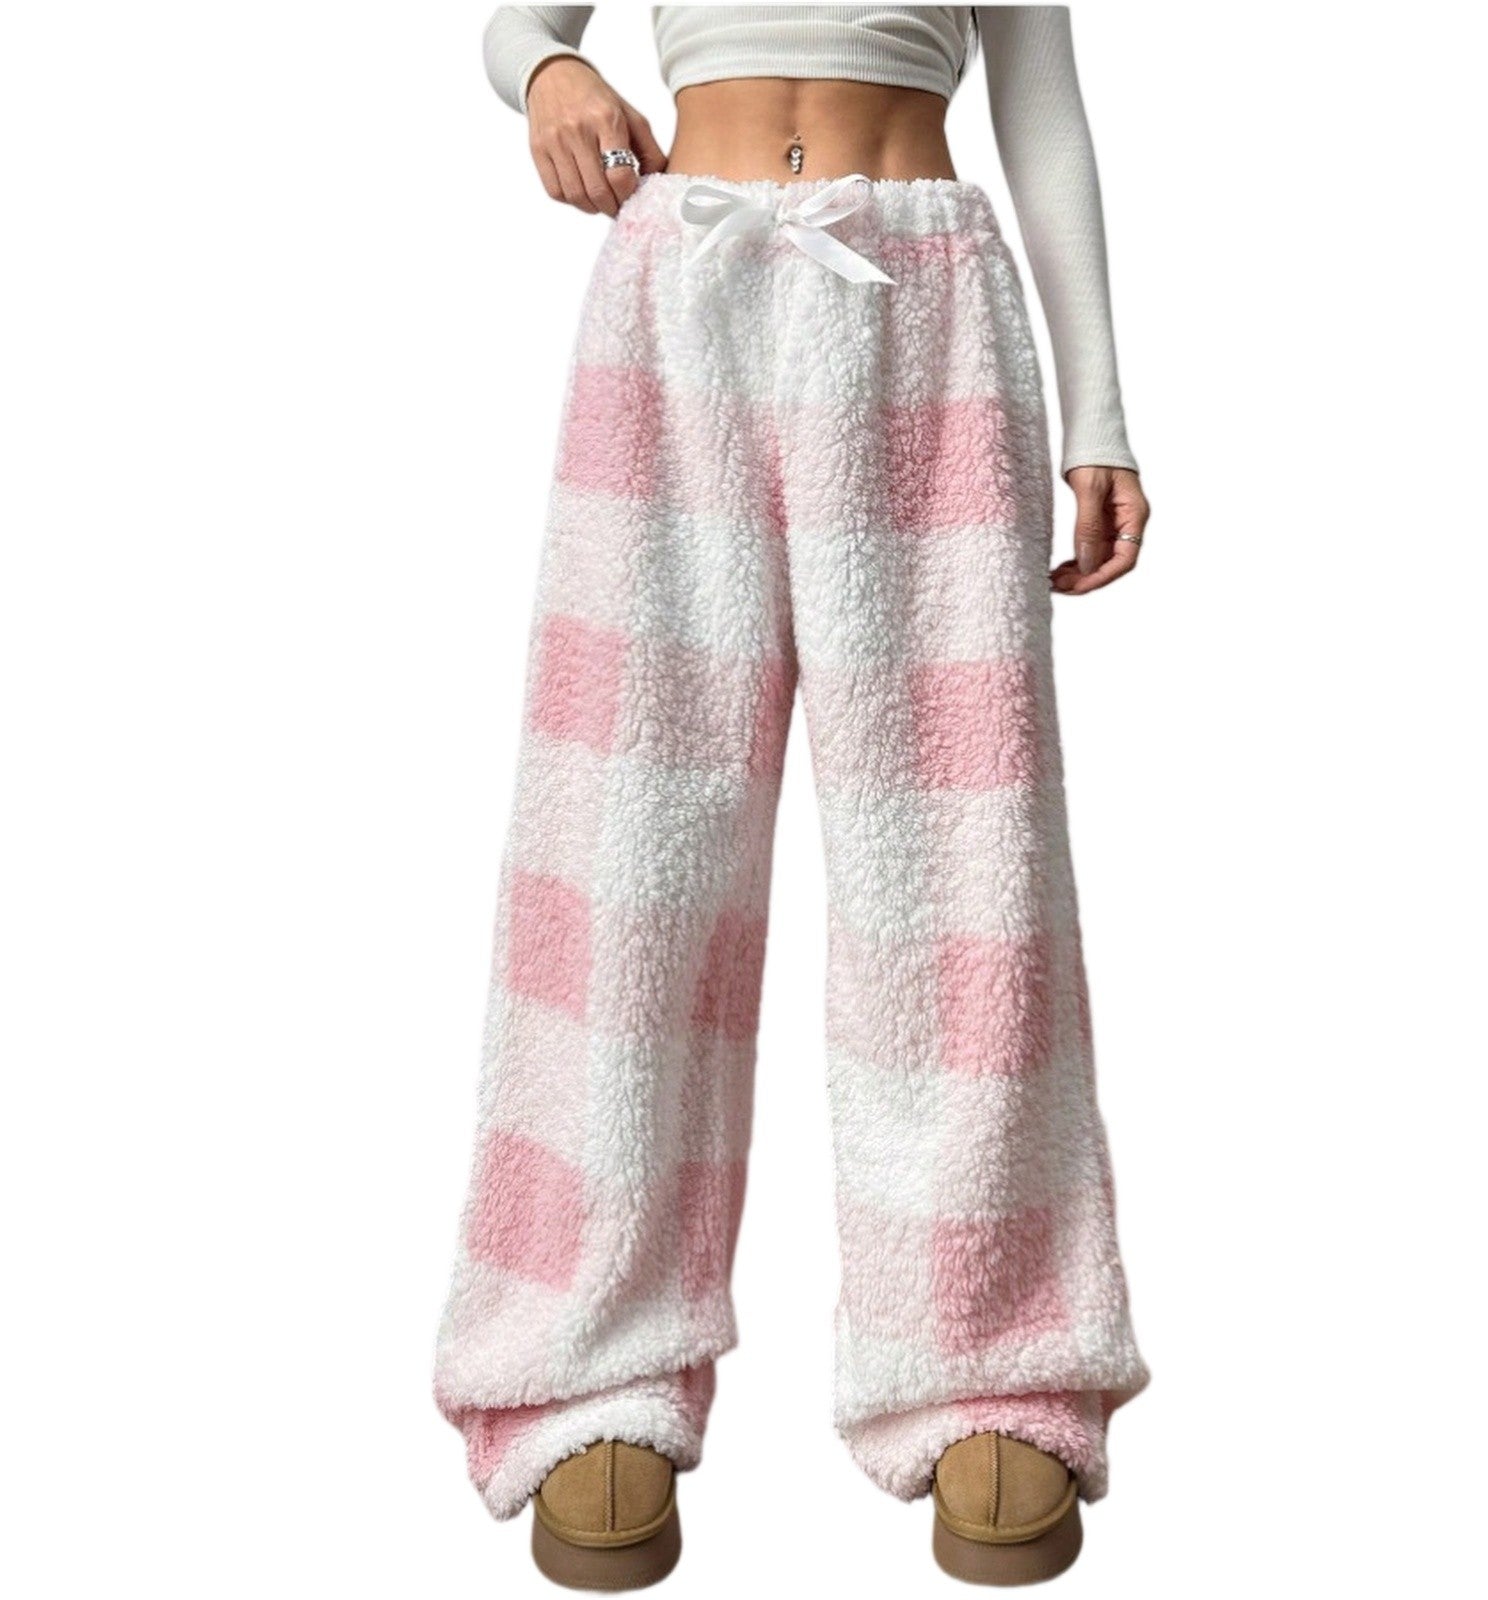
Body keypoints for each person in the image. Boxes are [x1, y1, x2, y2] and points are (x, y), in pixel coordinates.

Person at [436, 6, 1151, 1587]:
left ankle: (990, 1361)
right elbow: (519, 24)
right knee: (625, 844)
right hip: (681, 288)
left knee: (961, 863)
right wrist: (550, 74)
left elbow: (1044, 116)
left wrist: (1099, 411)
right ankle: (587, 1365)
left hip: (925, 303)